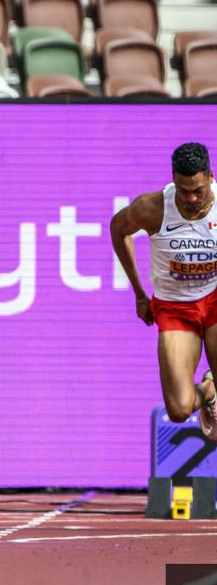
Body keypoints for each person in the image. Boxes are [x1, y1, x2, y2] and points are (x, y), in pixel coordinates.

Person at [111, 142, 217, 441]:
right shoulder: (151, 208)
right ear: (173, 180)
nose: (192, 198)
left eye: (198, 190)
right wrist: (139, 294)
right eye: (184, 190)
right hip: (175, 306)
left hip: (215, 298)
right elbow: (118, 229)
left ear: (210, 177)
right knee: (179, 409)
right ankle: (209, 390)